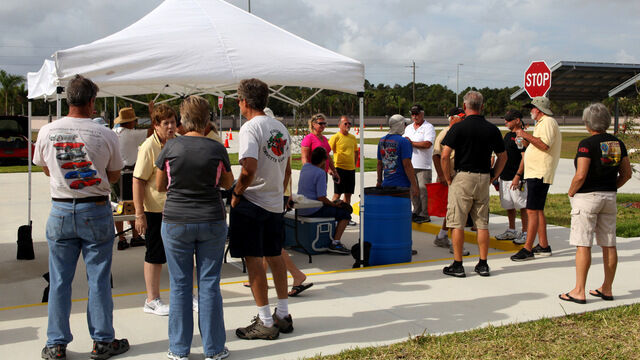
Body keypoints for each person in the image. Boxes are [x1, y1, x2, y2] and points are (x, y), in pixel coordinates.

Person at [34, 75, 129, 360]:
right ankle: (102, 341)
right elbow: (114, 175)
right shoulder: (106, 134)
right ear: (91, 102)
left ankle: (56, 343)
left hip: (61, 208)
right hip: (95, 208)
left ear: (68, 100)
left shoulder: (47, 131)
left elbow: (46, 168)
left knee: (60, 280)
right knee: (98, 278)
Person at [155, 95, 233, 359]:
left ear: (181, 119)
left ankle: (179, 349)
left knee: (180, 284)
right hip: (211, 218)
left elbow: (159, 185)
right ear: (207, 119)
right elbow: (227, 182)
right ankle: (214, 349)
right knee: (209, 283)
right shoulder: (216, 148)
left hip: (176, 220)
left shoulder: (170, 147)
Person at [229, 78, 293, 340]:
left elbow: (249, 168)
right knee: (275, 257)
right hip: (274, 202)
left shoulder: (250, 128)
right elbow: (287, 170)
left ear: (244, 101)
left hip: (252, 203)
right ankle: (283, 313)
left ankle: (265, 320)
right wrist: (278, 192)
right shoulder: (280, 128)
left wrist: (237, 192)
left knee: (254, 262)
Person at [559, 103, 632, 304]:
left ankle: (579, 290)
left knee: (583, 244)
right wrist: (612, 186)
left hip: (587, 197)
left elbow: (581, 174)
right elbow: (626, 173)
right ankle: (607, 288)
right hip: (609, 197)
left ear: (587, 123)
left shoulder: (586, 144)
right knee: (609, 243)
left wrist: (571, 191)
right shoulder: (617, 143)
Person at [440, 91, 506, 277]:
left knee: (457, 222)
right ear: (482, 106)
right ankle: (483, 263)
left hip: (463, 176)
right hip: (483, 176)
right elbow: (503, 156)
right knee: (482, 223)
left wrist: (448, 178)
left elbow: (445, 155)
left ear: (465, 106)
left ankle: (458, 264)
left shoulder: (459, 127)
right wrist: (494, 175)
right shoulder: (491, 129)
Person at [133, 103, 177, 316]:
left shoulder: (177, 143)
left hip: (177, 208)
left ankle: (185, 294)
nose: (170, 127)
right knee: (155, 254)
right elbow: (138, 180)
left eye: (173, 122)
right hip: (155, 210)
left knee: (181, 254)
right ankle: (152, 299)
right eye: (166, 123)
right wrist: (139, 214)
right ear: (156, 126)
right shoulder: (149, 147)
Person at [510, 96, 562, 261]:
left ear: (538, 110)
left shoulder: (547, 122)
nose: (530, 111)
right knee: (537, 210)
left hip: (540, 172)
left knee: (532, 210)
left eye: (531, 108)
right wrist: (524, 141)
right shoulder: (541, 123)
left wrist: (524, 134)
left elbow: (544, 145)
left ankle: (528, 248)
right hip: (536, 172)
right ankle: (544, 245)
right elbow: (538, 144)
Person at [298, 147, 353, 255]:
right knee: (346, 214)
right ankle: (335, 243)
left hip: (302, 208)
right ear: (324, 160)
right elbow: (321, 197)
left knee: (337, 208)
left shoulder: (305, 167)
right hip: (313, 209)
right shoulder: (320, 173)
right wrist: (334, 204)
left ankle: (332, 235)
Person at [431, 107, 470, 256]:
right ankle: (456, 245)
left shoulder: (462, 132)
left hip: (458, 176)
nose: (464, 119)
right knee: (456, 211)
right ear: (452, 118)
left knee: (453, 211)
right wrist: (442, 175)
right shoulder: (445, 133)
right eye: (461, 117)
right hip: (448, 177)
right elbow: (437, 156)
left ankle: (441, 235)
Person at [112, 107, 149, 250]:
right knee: (133, 205)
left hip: (115, 172)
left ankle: (121, 238)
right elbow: (153, 131)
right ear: (130, 122)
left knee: (117, 207)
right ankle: (135, 235)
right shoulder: (133, 134)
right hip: (129, 172)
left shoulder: (112, 133)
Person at [493, 110, 529, 244]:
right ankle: (512, 230)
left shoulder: (520, 137)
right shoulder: (508, 136)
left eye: (508, 120)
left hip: (517, 177)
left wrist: (518, 175)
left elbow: (524, 157)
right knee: (508, 205)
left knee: (522, 205)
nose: (505, 122)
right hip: (505, 176)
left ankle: (525, 232)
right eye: (505, 120)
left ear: (517, 120)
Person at [404, 104, 436, 224]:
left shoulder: (428, 127)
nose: (414, 116)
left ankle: (425, 214)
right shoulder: (409, 128)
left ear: (422, 113)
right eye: (412, 114)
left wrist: (411, 143)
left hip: (423, 165)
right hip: (410, 164)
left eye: (417, 113)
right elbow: (404, 142)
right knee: (413, 190)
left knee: (423, 191)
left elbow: (427, 144)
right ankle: (416, 211)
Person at [376, 114, 419, 196]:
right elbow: (407, 165)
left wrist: (379, 181)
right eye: (404, 124)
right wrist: (414, 185)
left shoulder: (382, 141)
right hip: (402, 186)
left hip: (386, 185)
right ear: (400, 125)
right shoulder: (404, 142)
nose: (405, 127)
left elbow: (379, 164)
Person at [300, 113, 340, 183]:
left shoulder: (324, 138)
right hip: (313, 173)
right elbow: (304, 157)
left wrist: (334, 171)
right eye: (321, 123)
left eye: (324, 123)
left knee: (322, 193)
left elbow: (327, 156)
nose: (323, 126)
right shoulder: (308, 138)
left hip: (323, 173)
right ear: (313, 124)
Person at [329, 116, 358, 208]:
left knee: (348, 194)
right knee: (337, 194)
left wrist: (354, 164)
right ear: (339, 125)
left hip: (351, 170)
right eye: (345, 123)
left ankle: (345, 217)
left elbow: (356, 152)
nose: (348, 125)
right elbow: (326, 152)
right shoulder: (335, 137)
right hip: (339, 169)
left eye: (349, 123)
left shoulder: (352, 137)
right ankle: (332, 213)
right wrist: (330, 168)